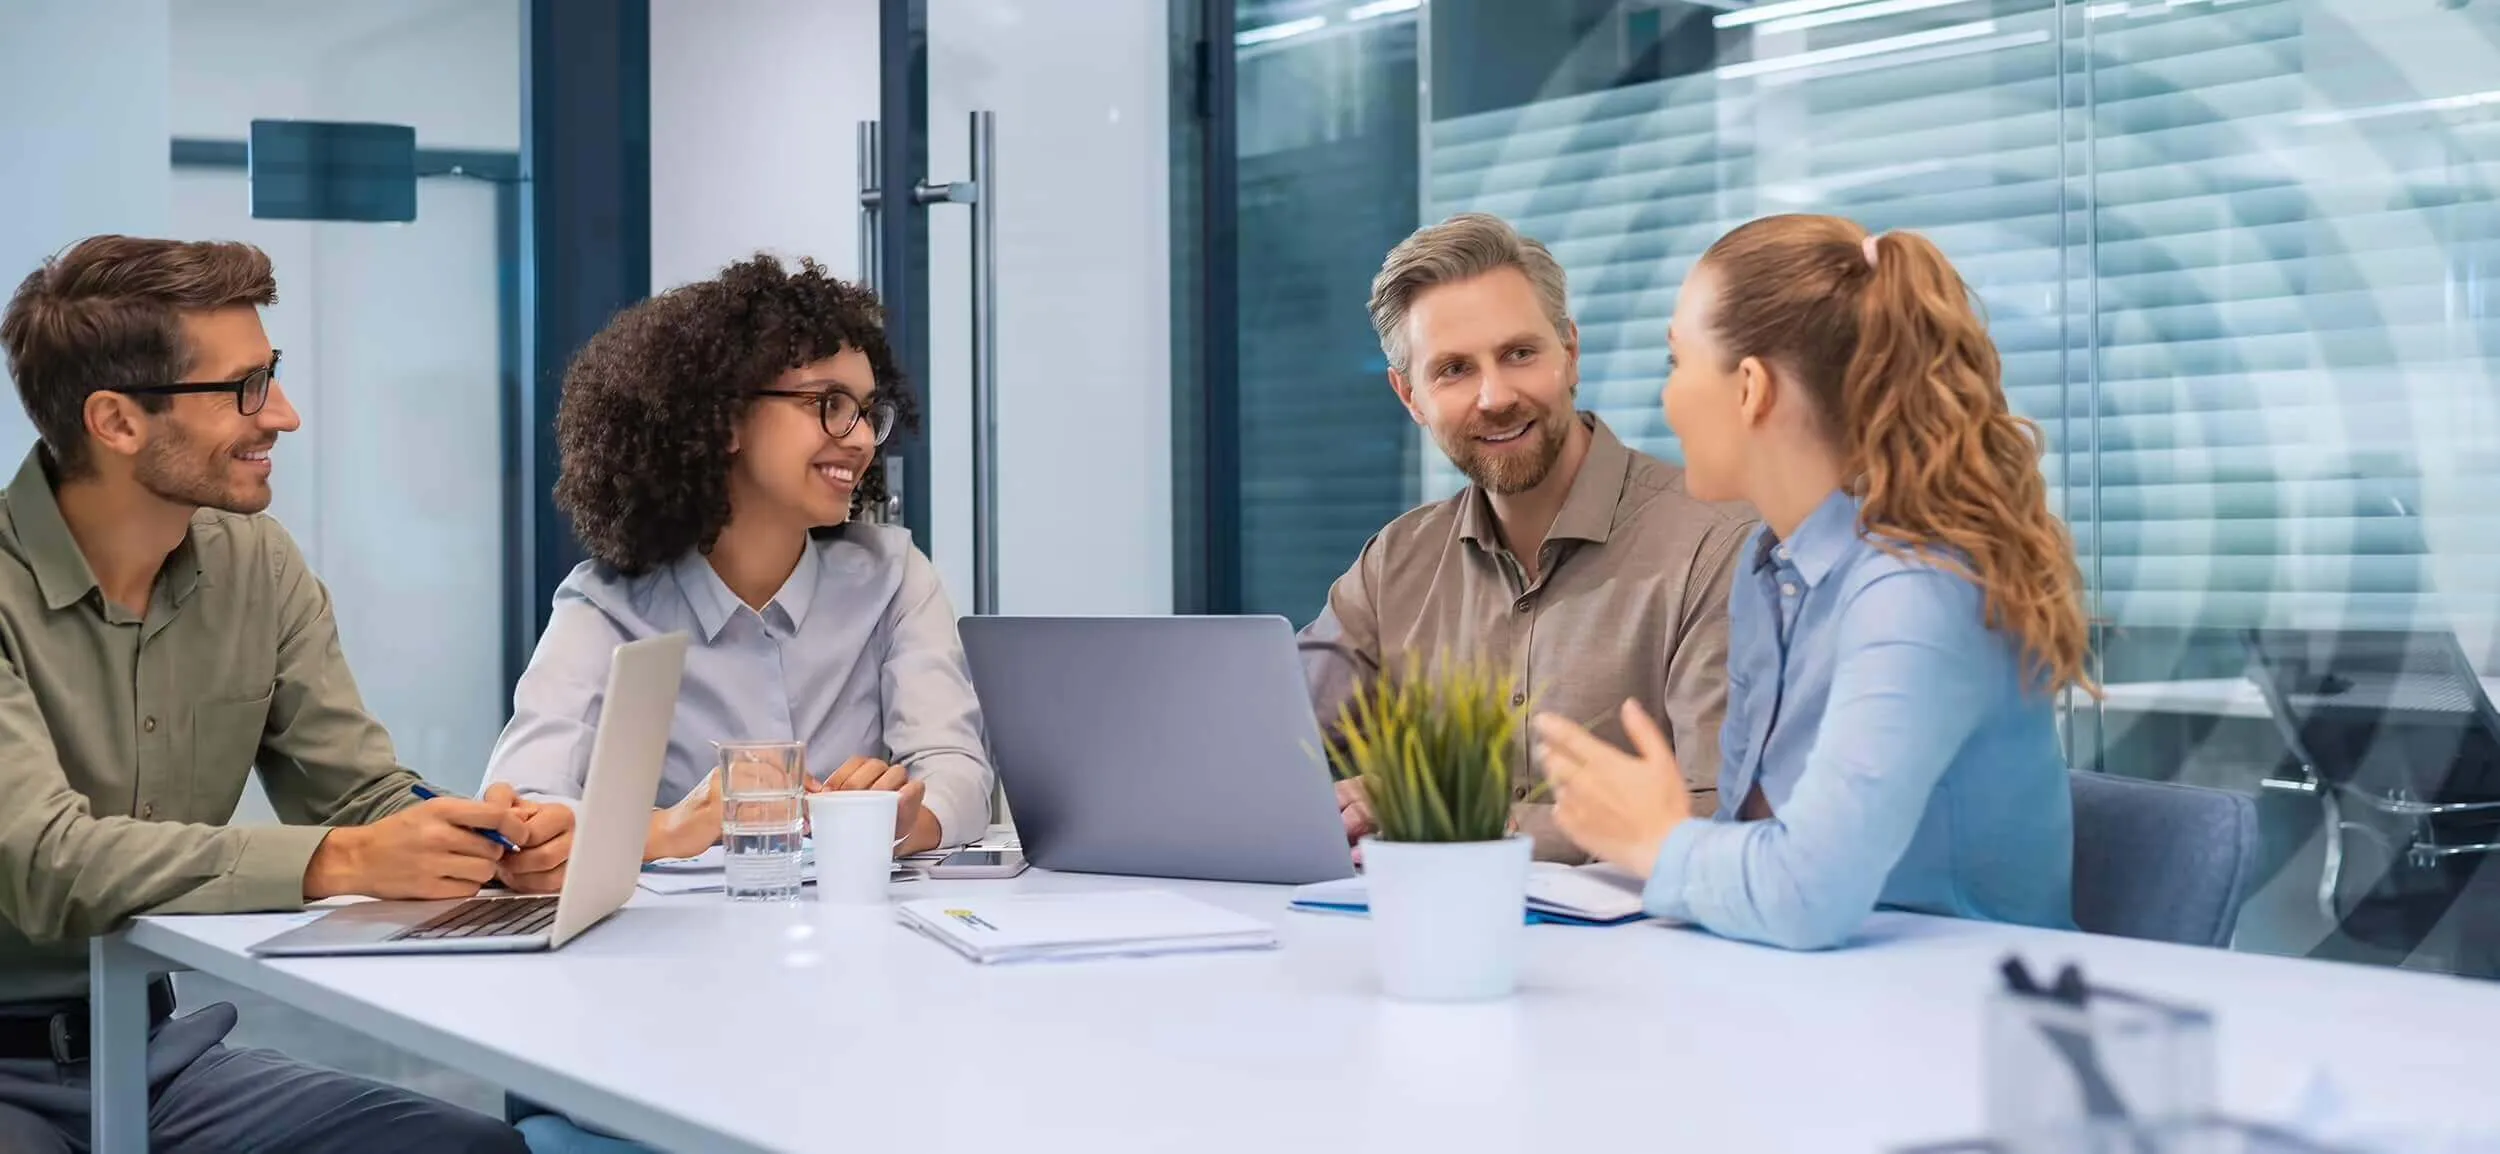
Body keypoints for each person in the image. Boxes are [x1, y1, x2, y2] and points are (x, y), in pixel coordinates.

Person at [0, 235, 551, 1151]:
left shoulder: (256, 563)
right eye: (245, 388)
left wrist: (485, 839)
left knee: (473, 1148)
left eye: (274, 376)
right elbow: (48, 862)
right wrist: (343, 860)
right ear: (116, 421)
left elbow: (361, 800)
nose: (284, 415)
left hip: (155, 1061)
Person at [1531, 215, 2090, 951]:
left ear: (1752, 389)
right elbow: (1762, 846)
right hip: (1821, 992)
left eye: (1677, 363)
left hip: (1967, 1008)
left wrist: (1657, 839)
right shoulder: (1771, 567)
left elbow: (1805, 893)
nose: (1667, 400)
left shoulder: (1915, 591)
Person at [1302, 212, 1755, 862]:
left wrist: (1441, 814)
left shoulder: (1716, 543)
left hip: (1639, 955)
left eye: (1519, 354)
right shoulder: (1395, 565)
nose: (1494, 396)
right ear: (1410, 398)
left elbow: (1714, 818)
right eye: (1453, 370)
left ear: (1569, 355)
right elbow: (1266, 748)